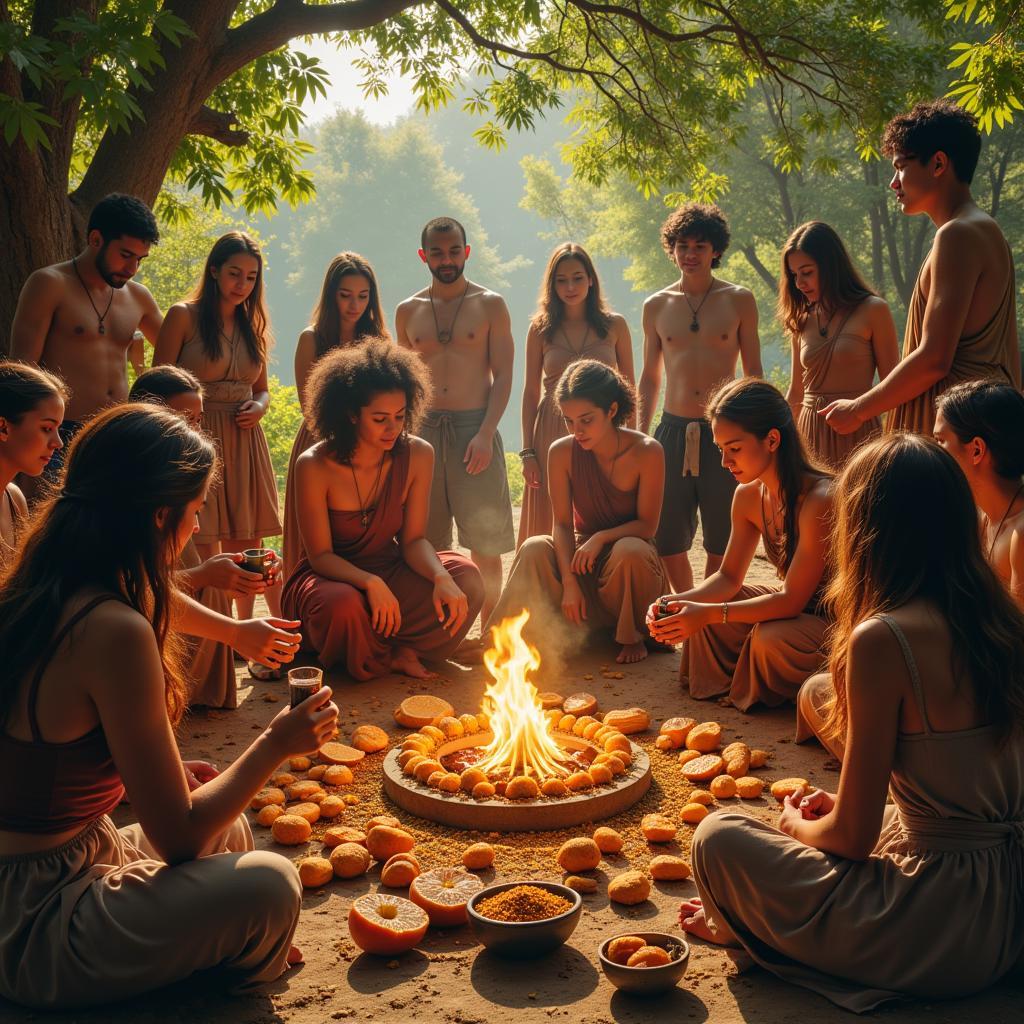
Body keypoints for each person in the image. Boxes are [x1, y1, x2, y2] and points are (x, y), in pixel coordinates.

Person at [0, 404, 339, 1010]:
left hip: (77, 852)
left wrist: (164, 780)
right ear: (161, 515)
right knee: (269, 884)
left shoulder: (49, 583)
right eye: (197, 508)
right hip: (34, 919)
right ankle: (210, 966)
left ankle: (210, 944)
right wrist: (276, 742)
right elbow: (179, 838)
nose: (198, 522)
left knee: (231, 826)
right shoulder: (112, 629)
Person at [681, 433, 1024, 1012]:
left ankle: (749, 933)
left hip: (944, 930)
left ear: (864, 529)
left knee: (718, 837)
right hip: (1010, 901)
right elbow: (967, 800)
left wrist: (794, 826)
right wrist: (854, 809)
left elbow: (850, 839)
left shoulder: (884, 638)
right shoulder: (1001, 617)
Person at [283, 339, 484, 680]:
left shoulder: (418, 454)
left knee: (465, 578)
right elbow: (319, 556)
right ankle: (377, 657)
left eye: (400, 416)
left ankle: (406, 651)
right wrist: (369, 582)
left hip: (391, 567)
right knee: (343, 607)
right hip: (330, 578)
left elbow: (414, 541)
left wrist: (440, 576)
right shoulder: (314, 465)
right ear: (350, 414)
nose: (393, 429)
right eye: (379, 419)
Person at [822, 99, 1020, 438]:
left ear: (938, 163)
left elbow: (934, 358)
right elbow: (1010, 354)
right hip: (980, 429)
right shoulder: (987, 231)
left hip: (955, 432)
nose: (893, 183)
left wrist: (858, 409)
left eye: (901, 167)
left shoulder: (957, 234)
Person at [648, 378, 832, 710]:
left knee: (767, 639)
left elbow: (791, 601)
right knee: (706, 615)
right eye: (721, 449)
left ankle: (771, 684)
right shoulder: (748, 495)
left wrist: (707, 614)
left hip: (832, 618)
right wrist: (677, 601)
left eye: (734, 449)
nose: (724, 462)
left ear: (772, 439)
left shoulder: (820, 498)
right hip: (793, 608)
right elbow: (728, 578)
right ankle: (740, 680)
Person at [488, 361, 666, 665]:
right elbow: (560, 523)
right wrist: (570, 583)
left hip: (631, 565)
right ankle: (504, 640)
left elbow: (647, 527)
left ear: (611, 410)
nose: (577, 431)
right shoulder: (561, 451)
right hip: (582, 562)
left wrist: (600, 538)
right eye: (569, 421)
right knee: (534, 548)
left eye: (586, 420)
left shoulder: (648, 451)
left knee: (629, 550)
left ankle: (632, 634)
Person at [129, 366, 285, 708]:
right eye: (181, 419)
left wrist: (236, 574)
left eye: (198, 420)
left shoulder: (180, 482)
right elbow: (131, 592)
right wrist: (205, 577)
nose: (194, 430)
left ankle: (197, 693)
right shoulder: (131, 495)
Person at [153, 232, 282, 626]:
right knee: (203, 536)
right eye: (234, 273)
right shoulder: (183, 316)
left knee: (249, 537)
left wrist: (258, 408)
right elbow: (157, 385)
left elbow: (262, 391)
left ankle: (250, 626)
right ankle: (219, 634)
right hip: (194, 435)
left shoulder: (254, 325)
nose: (241, 284)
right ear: (214, 271)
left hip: (244, 437)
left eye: (250, 277)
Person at [395, 216, 515, 623]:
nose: (445, 260)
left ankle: (492, 634)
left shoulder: (490, 304)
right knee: (426, 538)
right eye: (436, 252)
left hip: (474, 427)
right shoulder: (407, 310)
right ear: (423, 255)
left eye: (452, 251)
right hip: (423, 431)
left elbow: (503, 376)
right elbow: (403, 384)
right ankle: (439, 632)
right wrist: (404, 438)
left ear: (466, 251)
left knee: (485, 541)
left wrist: (485, 433)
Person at [639, 202, 762, 593]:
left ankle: (708, 612)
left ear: (716, 251)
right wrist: (640, 437)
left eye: (699, 246)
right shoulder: (656, 305)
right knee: (666, 534)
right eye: (682, 245)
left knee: (722, 532)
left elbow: (753, 373)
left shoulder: (739, 299)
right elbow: (649, 378)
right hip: (672, 429)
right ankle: (687, 601)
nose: (690, 254)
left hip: (724, 431)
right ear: (671, 248)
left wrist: (757, 432)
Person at [10, 194, 161, 498]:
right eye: (125, 255)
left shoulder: (139, 297)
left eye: (139, 260)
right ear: (95, 239)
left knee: (111, 534)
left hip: (117, 432)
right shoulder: (49, 283)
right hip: (59, 434)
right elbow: (21, 373)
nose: (132, 268)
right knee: (51, 533)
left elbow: (180, 350)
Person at [518, 243, 635, 546]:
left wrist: (633, 442)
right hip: (553, 429)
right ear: (551, 284)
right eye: (561, 280)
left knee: (602, 510)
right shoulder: (540, 329)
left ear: (591, 280)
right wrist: (528, 451)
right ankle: (546, 587)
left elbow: (629, 389)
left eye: (577, 278)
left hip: (605, 431)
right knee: (549, 516)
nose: (570, 287)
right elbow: (530, 391)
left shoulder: (615, 325)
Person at [284, 252, 389, 578]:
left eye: (363, 296)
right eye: (345, 295)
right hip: (319, 444)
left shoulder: (379, 341)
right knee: (313, 542)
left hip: (370, 450)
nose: (354, 305)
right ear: (331, 294)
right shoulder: (311, 339)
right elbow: (309, 408)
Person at [780, 221, 899, 469]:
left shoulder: (873, 310)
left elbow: (895, 386)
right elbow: (796, 392)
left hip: (859, 433)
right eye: (794, 275)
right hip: (810, 436)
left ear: (830, 266)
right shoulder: (800, 319)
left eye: (807, 272)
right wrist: (780, 445)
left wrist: (892, 443)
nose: (799, 283)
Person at [935, 380, 1024, 605]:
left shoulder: (1020, 536)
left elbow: (1015, 637)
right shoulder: (977, 516)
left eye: (940, 440)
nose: (933, 451)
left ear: (976, 450)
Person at [0, 362, 67, 566]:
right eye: (47, 428)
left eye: (58, 429)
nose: (58, 443)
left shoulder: (14, 500)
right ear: (3, 427)